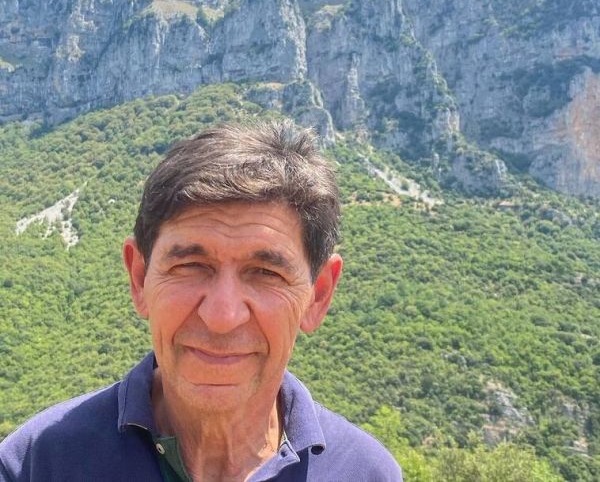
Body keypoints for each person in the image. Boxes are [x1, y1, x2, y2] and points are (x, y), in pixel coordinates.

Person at [0, 120, 403, 481]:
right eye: (191, 266)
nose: (222, 316)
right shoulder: (37, 463)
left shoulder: (365, 472)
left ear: (317, 296)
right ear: (139, 279)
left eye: (266, 273)